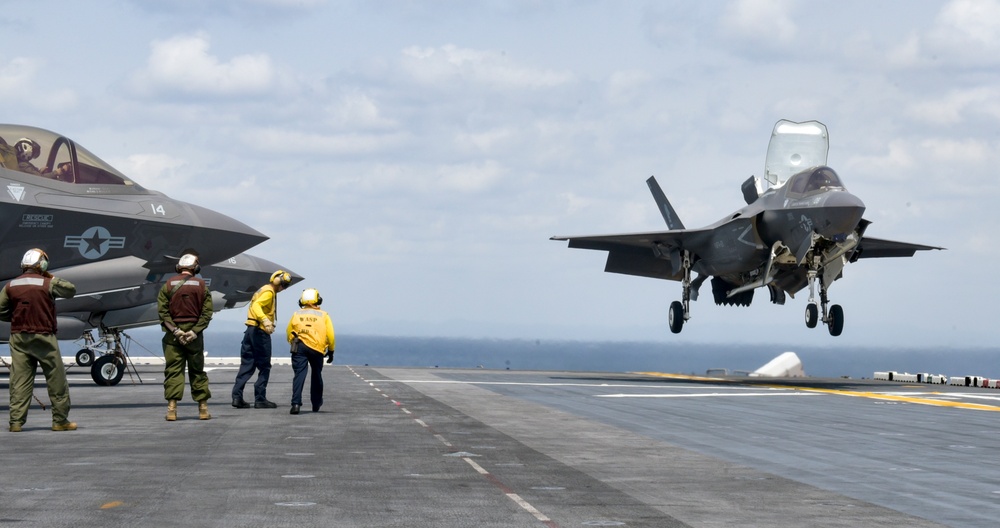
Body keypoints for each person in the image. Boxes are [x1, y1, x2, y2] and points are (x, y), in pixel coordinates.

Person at [0, 249, 77, 432]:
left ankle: (16, 422)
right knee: (56, 380)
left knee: (20, 381)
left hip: (19, 338)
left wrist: (18, 318)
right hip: (44, 337)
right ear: (42, 264)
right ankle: (60, 421)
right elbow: (70, 290)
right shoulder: (48, 283)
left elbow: (1, 310)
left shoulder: (11, 286)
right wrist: (51, 277)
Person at [157, 252, 213, 421]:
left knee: (174, 371)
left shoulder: (167, 285)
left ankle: (172, 410)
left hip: (173, 337)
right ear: (196, 268)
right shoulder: (202, 285)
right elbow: (207, 313)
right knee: (197, 371)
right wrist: (194, 332)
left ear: (178, 267)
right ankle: (203, 409)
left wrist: (176, 331)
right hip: (194, 337)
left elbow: (163, 313)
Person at [231, 270, 291, 409]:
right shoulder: (269, 292)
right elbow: (257, 305)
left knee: (247, 365)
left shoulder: (263, 289)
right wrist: (266, 321)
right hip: (259, 332)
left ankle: (237, 397)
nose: (283, 288)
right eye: (284, 285)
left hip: (250, 330)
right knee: (264, 366)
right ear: (278, 282)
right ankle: (260, 399)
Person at [286, 288, 335, 414]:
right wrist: (331, 350)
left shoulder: (297, 314)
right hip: (317, 348)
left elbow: (288, 331)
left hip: (299, 346)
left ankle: (296, 404)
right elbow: (330, 335)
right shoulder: (324, 315)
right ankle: (316, 403)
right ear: (317, 299)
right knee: (316, 374)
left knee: (299, 374)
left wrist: (292, 342)